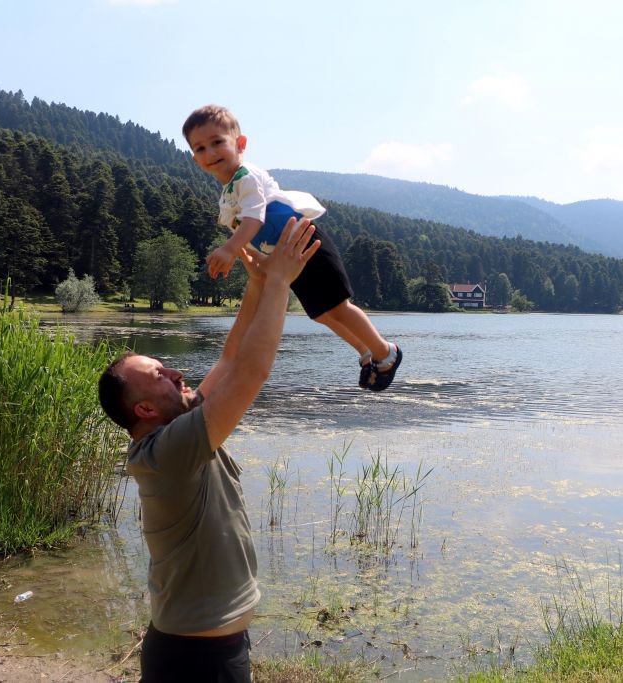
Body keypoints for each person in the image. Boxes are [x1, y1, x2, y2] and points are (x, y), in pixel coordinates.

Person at [98, 219, 319, 682]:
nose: (176, 373)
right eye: (160, 375)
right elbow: (251, 372)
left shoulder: (174, 434)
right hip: (197, 660)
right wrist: (280, 282)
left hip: (205, 648)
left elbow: (231, 359)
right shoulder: (169, 452)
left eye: (165, 366)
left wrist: (257, 285)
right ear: (144, 409)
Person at [183, 104, 402, 392]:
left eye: (217, 142)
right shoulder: (228, 195)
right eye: (200, 148)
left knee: (338, 306)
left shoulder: (246, 177)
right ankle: (365, 352)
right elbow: (245, 233)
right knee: (321, 313)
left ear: (240, 144)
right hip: (288, 257)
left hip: (307, 243)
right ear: (195, 159)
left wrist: (229, 250)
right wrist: (250, 261)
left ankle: (386, 352)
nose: (210, 152)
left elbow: (254, 219)